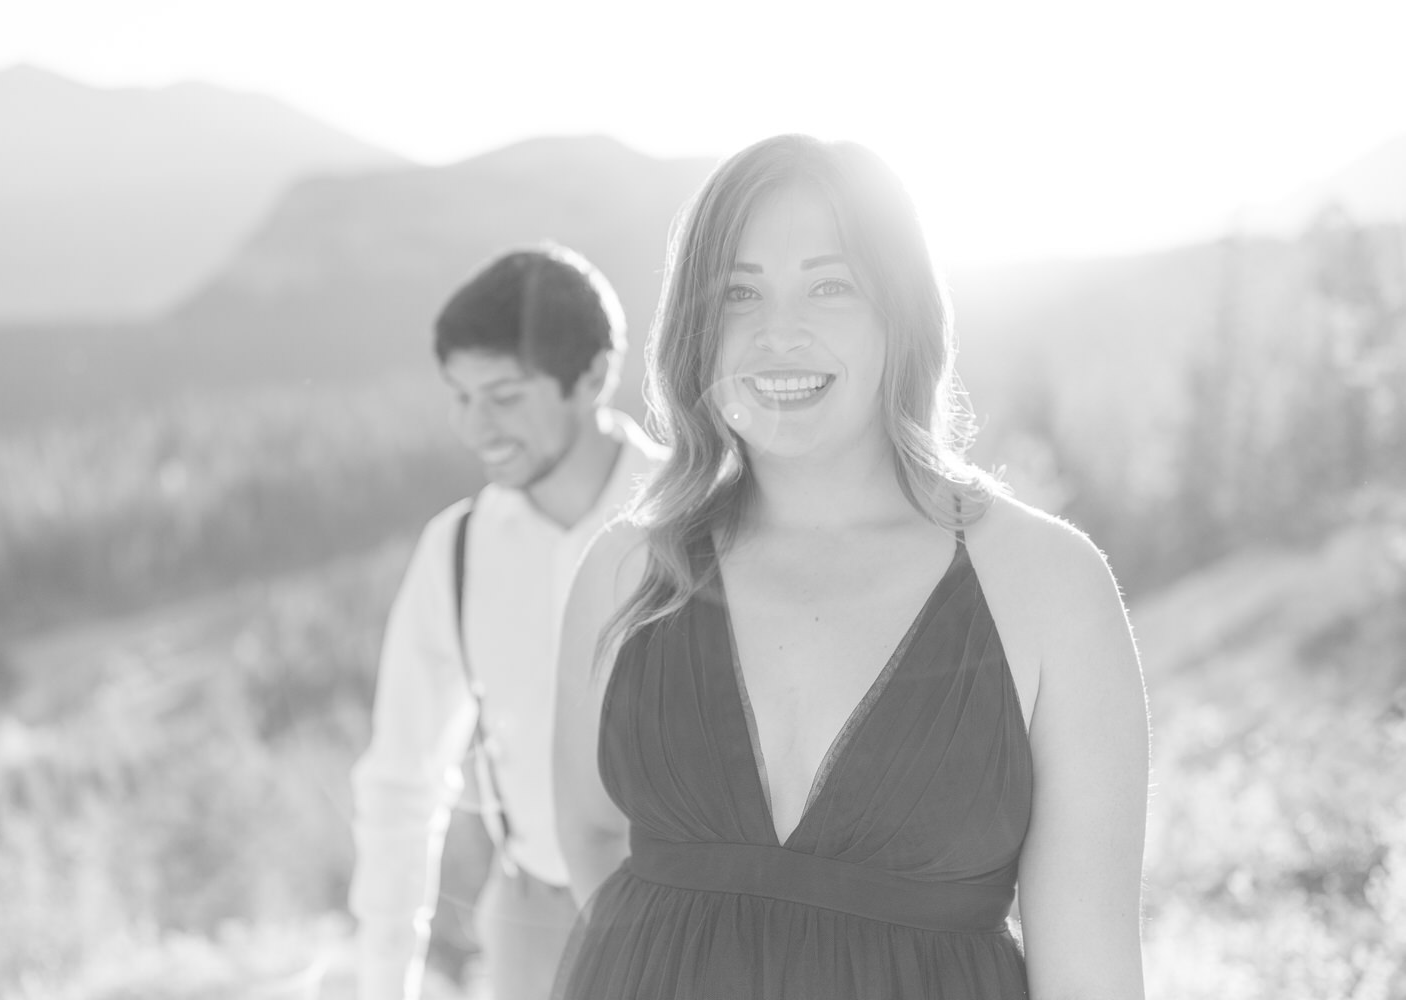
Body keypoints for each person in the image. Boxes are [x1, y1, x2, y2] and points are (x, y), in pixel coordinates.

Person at [553, 135, 1150, 999]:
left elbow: (1090, 970)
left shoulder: (1051, 588)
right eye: (737, 292)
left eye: (830, 286)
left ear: (901, 312)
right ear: (693, 328)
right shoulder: (626, 569)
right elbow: (593, 842)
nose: (776, 334)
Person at [349, 244, 666, 1000]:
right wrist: (384, 981)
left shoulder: (702, 521)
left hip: (688, 916)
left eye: (504, 394)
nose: (474, 426)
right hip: (531, 923)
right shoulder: (454, 549)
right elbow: (402, 780)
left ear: (592, 376)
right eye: (458, 395)